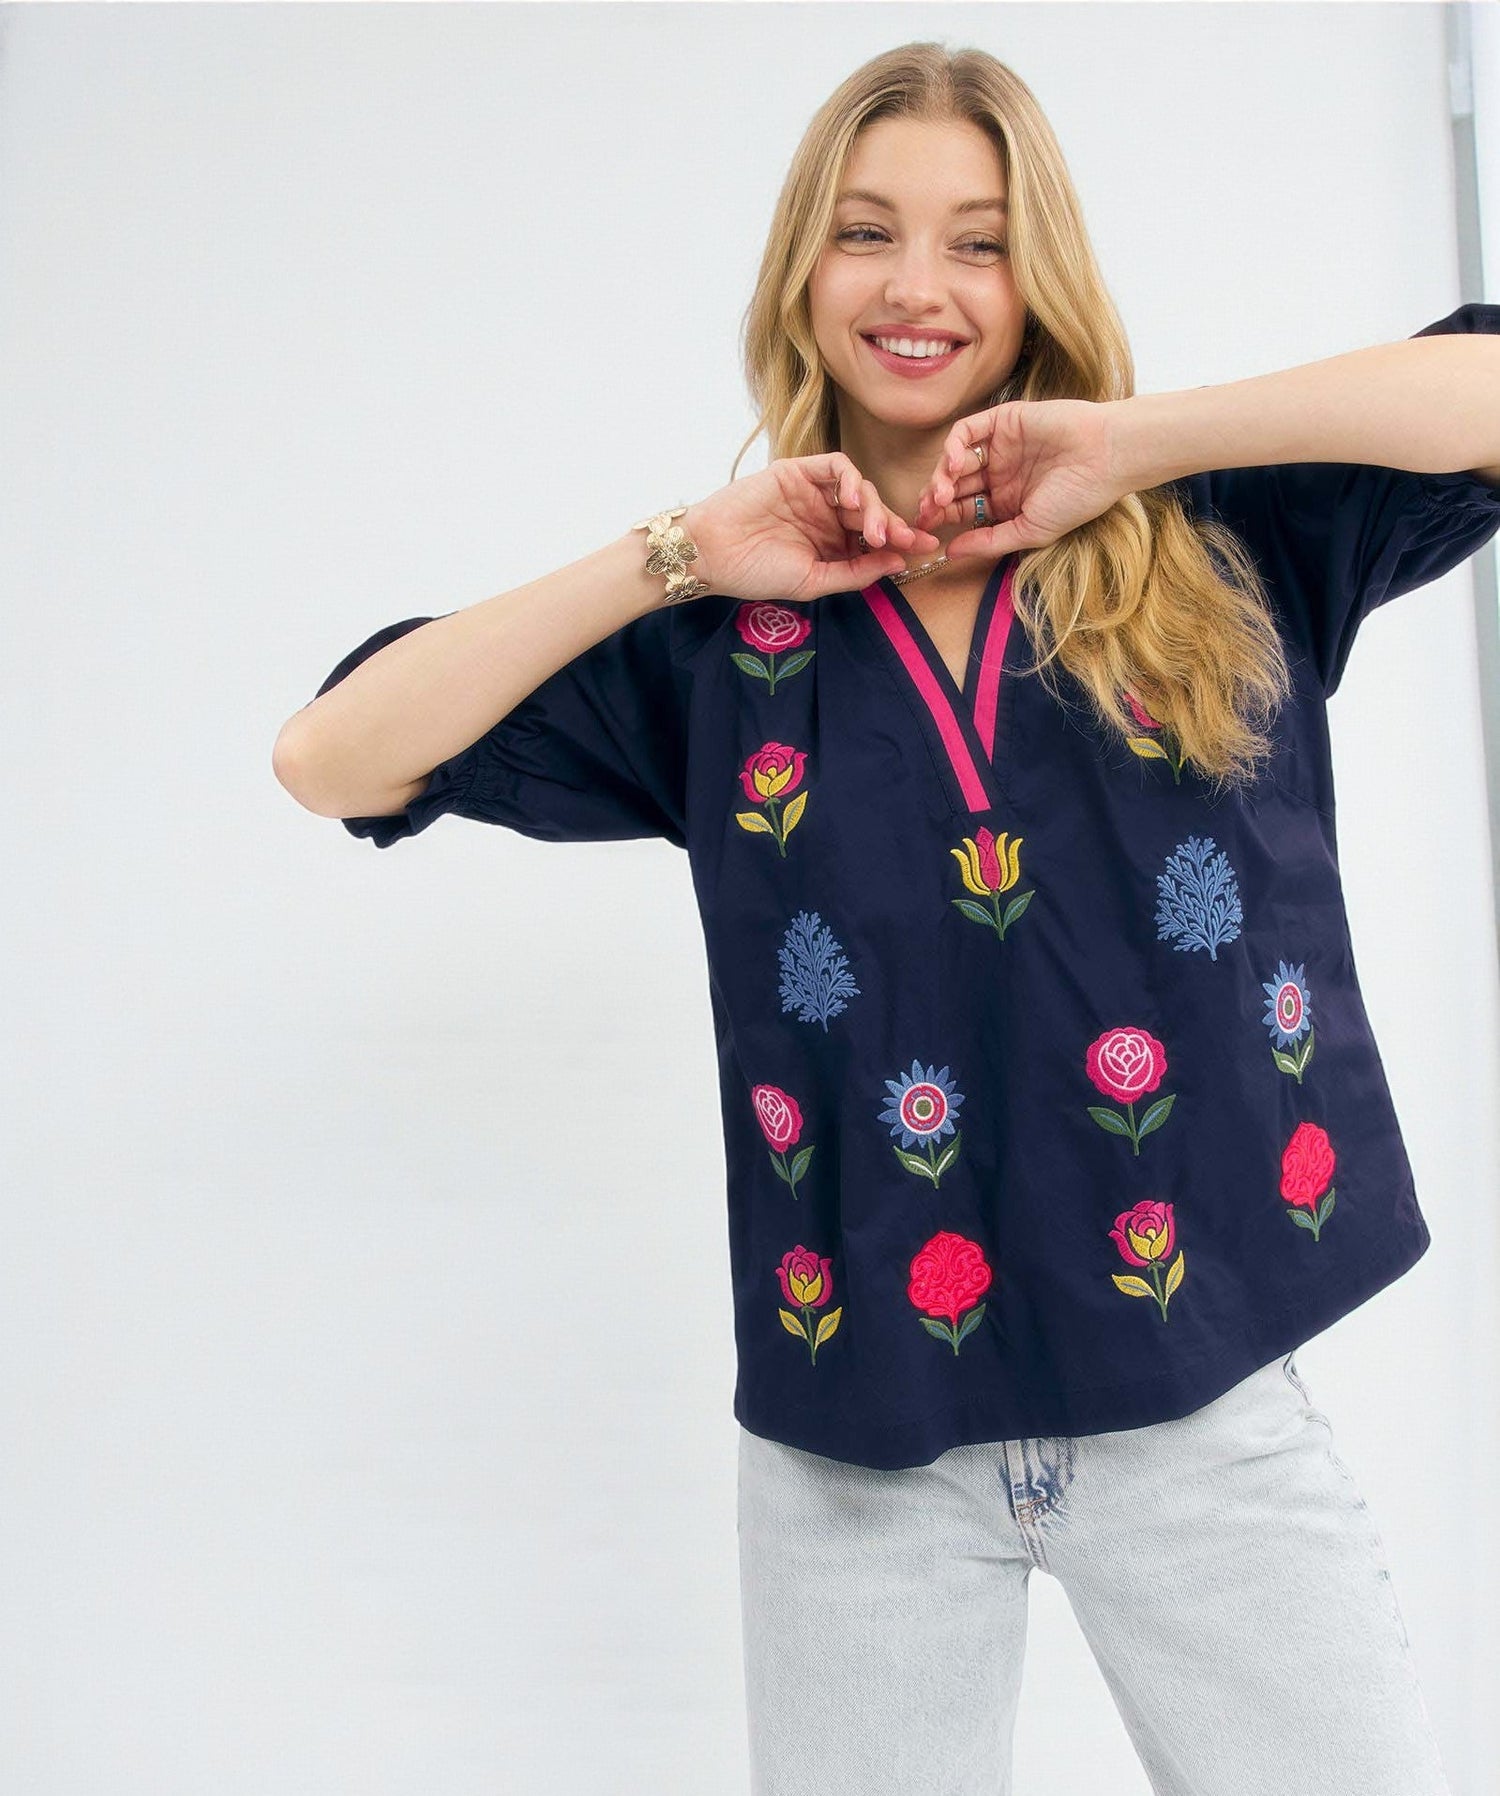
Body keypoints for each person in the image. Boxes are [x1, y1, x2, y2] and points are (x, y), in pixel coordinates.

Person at [273, 39, 1500, 1796]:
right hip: (861, 1468)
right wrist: (678, 552)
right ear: (803, 271)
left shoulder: (1222, 536)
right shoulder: (709, 642)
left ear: (1041, 278)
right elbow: (333, 756)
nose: (919, 286)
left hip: (1199, 1400)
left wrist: (1134, 442)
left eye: (980, 240)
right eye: (868, 232)